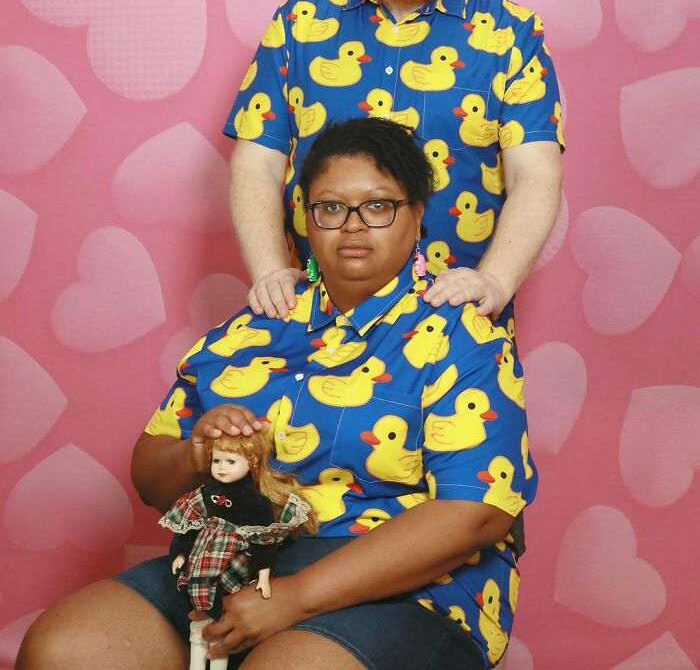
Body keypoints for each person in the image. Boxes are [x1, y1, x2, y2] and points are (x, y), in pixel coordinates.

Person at [17, 118, 536, 670]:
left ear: (416, 215)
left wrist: (294, 596)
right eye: (331, 208)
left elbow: (477, 513)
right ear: (307, 219)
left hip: (401, 587)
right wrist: (200, 452)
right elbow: (150, 474)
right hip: (223, 566)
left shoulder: (463, 336)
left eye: (379, 206)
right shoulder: (253, 327)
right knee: (64, 649)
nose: (353, 226)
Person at [227, 0, 564, 332]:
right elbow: (257, 161)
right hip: (311, 322)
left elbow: (536, 175)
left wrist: (494, 281)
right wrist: (272, 271)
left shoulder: (513, 36)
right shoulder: (298, 23)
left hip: (454, 330)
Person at [162, 433, 314, 670]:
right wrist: (180, 553)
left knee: (222, 618)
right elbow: (189, 527)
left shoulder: (256, 502)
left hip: (236, 558)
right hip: (205, 555)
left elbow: (263, 541)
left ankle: (217, 662)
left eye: (230, 462)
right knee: (200, 613)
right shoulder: (205, 494)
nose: (222, 468)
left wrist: (264, 576)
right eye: (217, 461)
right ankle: (196, 663)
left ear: (251, 463)